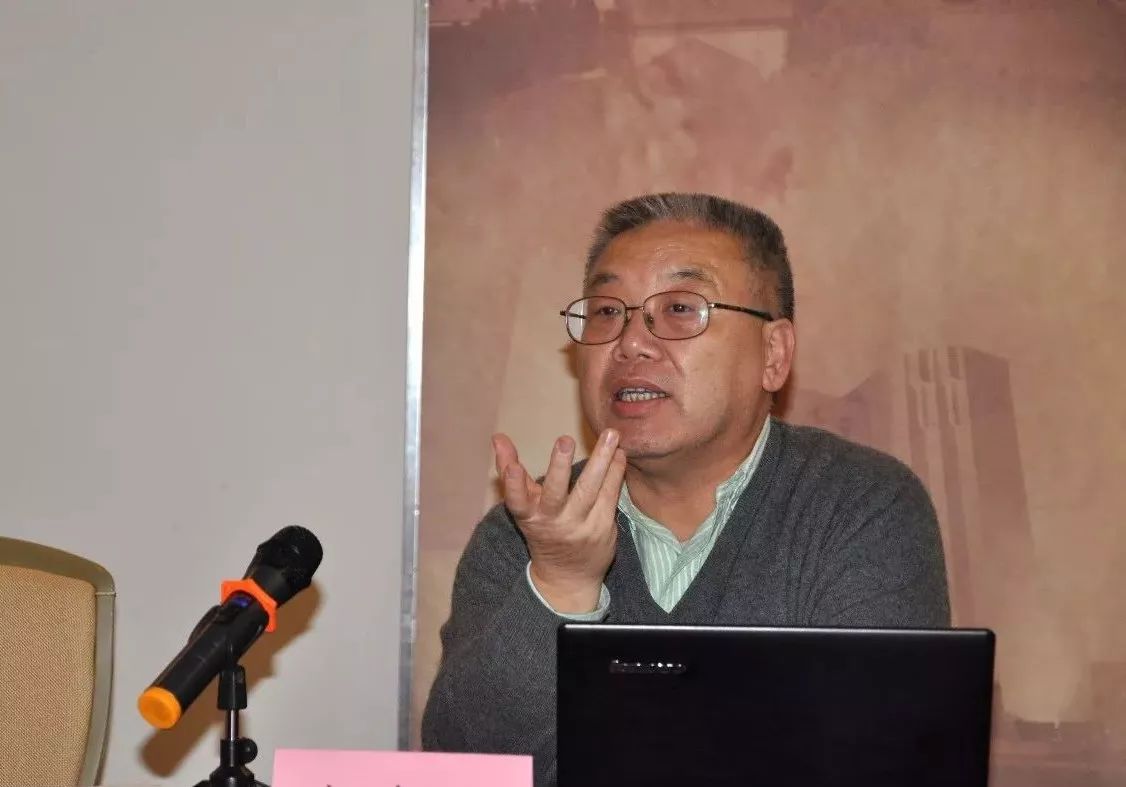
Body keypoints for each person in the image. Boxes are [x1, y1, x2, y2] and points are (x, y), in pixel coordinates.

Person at [421, 192, 950, 787]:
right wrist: (560, 587)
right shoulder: (525, 532)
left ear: (773, 354)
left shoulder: (857, 508)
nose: (630, 342)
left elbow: (876, 759)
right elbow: (463, 768)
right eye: (606, 311)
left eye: (678, 308)